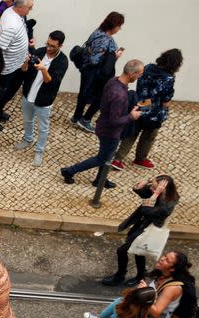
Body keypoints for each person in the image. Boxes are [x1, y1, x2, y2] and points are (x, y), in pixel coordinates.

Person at [60, 60, 144, 188]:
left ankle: (100, 179)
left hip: (103, 125)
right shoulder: (119, 95)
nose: (139, 77)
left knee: (106, 156)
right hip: (110, 132)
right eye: (139, 74)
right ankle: (69, 171)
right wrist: (131, 116)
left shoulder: (113, 81)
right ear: (132, 74)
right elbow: (114, 121)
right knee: (102, 158)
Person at [111, 49, 183, 171]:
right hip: (155, 111)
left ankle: (117, 159)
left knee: (132, 132)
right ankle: (140, 159)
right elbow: (166, 99)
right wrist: (165, 107)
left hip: (140, 104)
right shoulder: (169, 78)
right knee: (149, 136)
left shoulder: (148, 67)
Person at [102, 176, 179, 286]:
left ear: (163, 189)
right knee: (139, 251)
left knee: (122, 251)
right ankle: (140, 275)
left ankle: (120, 276)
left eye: (154, 187)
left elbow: (146, 210)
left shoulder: (166, 205)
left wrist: (155, 194)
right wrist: (142, 184)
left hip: (147, 229)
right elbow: (144, 193)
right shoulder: (161, 192)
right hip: (141, 225)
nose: (151, 189)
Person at [15, 30, 68, 167]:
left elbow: (50, 82)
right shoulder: (39, 51)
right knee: (27, 120)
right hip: (29, 95)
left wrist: (44, 69)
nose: (49, 48)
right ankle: (28, 139)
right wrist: (26, 63)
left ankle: (39, 151)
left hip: (44, 100)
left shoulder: (62, 61)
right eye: (48, 44)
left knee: (43, 128)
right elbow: (24, 72)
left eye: (53, 46)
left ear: (60, 46)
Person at [71, 12, 125, 133]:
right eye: (119, 26)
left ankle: (76, 117)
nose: (120, 29)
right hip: (95, 74)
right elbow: (95, 60)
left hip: (86, 70)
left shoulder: (98, 31)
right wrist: (114, 57)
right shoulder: (104, 40)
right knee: (101, 97)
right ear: (114, 25)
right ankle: (85, 120)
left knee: (83, 93)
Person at [0, 0, 35, 126]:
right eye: (30, 7)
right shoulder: (12, 24)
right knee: (0, 92)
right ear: (21, 7)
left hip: (17, 64)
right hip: (7, 68)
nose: (31, 10)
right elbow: (0, 48)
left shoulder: (15, 13)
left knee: (9, 91)